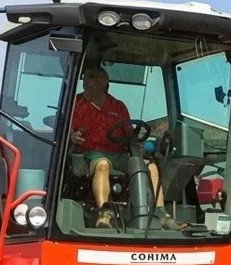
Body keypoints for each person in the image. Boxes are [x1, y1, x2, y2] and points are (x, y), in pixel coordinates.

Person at [71, 66, 173, 228]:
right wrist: (72, 135)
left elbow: (129, 134)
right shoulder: (76, 104)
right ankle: (104, 213)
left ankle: (160, 212)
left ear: (103, 83)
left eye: (93, 80)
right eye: (87, 80)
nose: (88, 83)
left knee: (151, 165)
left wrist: (137, 141)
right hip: (91, 153)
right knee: (103, 164)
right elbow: (65, 127)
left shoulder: (117, 106)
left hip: (118, 154)